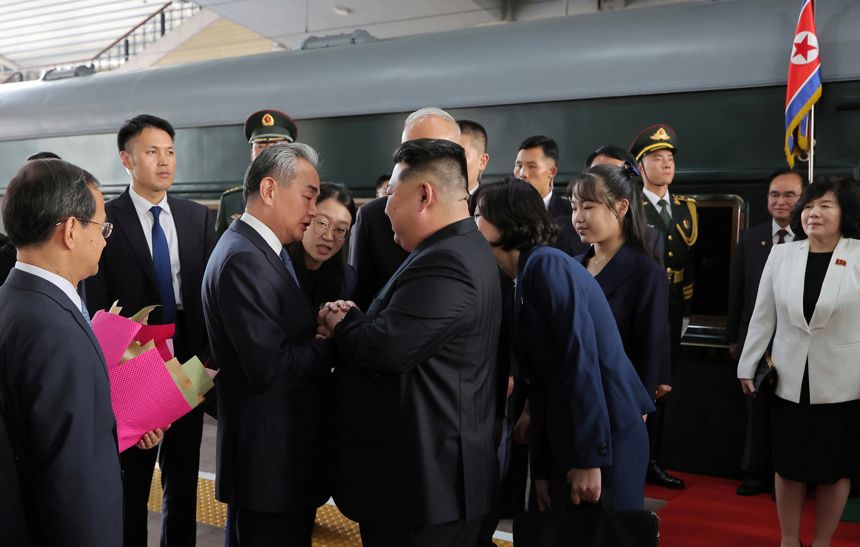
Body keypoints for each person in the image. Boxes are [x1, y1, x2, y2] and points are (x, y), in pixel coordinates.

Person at [322, 138, 501, 547]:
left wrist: (342, 321)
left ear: (424, 195)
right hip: (437, 477)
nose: (385, 211)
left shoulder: (447, 261)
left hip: (425, 486)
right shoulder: (461, 248)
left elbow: (388, 348)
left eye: (392, 200)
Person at [471, 177, 653, 511]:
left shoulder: (546, 265)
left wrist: (588, 459)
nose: (473, 224)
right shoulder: (522, 276)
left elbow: (579, 361)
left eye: (480, 215)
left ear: (507, 221)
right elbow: (541, 383)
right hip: (571, 431)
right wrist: (542, 469)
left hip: (606, 434)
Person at [85, 114, 216, 547]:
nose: (164, 161)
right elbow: (99, 304)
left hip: (188, 364)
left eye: (170, 151)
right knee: (133, 485)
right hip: (133, 370)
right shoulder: (108, 219)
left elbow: (207, 298)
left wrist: (207, 364)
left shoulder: (197, 217)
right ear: (127, 159)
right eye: (152, 151)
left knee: (183, 480)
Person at [202, 143, 334, 546]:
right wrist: (329, 341)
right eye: (309, 196)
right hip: (270, 468)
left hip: (274, 465)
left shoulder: (261, 249)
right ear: (270, 189)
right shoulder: (245, 257)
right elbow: (269, 367)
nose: (314, 211)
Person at [0, 159, 123, 546]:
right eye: (101, 226)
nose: (104, 238)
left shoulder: (12, 301)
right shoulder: (57, 330)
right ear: (71, 229)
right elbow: (74, 479)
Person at [738, 176, 860, 547]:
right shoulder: (783, 254)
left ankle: (822, 540)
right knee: (787, 466)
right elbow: (762, 316)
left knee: (833, 471)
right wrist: (748, 364)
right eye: (808, 206)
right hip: (788, 380)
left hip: (842, 383)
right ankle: (789, 539)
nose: (813, 213)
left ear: (845, 213)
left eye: (825, 206)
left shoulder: (857, 254)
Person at [727, 168, 806, 497]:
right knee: (755, 413)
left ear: (803, 200)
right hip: (755, 339)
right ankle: (755, 474)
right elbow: (738, 290)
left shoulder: (810, 239)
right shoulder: (750, 237)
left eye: (790, 195)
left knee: (790, 413)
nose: (781, 201)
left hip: (796, 341)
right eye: (775, 194)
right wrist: (733, 338)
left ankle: (785, 476)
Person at [569, 164, 671, 404]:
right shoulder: (572, 266)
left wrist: (639, 406)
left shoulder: (647, 273)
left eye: (588, 207)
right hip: (570, 395)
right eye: (574, 208)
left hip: (617, 400)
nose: (578, 218)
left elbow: (649, 349)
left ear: (621, 207)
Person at [630, 123, 695, 490]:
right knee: (641, 381)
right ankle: (635, 458)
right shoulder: (632, 207)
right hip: (644, 305)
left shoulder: (687, 209)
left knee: (664, 386)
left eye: (669, 158)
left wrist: (686, 311)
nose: (666, 165)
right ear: (641, 166)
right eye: (657, 158)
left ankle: (653, 460)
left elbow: (692, 264)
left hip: (672, 308)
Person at [348, 106, 460, 309]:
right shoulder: (373, 217)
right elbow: (361, 296)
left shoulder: (476, 214)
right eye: (412, 152)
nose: (423, 161)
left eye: (437, 152)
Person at [215, 109, 299, 235]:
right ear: (251, 153)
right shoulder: (231, 201)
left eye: (276, 144)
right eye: (261, 145)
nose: (267, 152)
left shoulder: (305, 197)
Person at [287, 182, 357, 308]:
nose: (329, 237)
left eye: (340, 229)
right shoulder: (277, 267)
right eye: (322, 223)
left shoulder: (348, 278)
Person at [513, 135, 572, 218]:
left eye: (531, 166)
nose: (522, 174)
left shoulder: (570, 212)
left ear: (552, 172)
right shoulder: (502, 211)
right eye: (519, 166)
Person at [457, 119, 490, 193]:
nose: (452, 162)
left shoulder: (492, 203)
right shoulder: (430, 200)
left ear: (482, 162)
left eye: (461, 156)